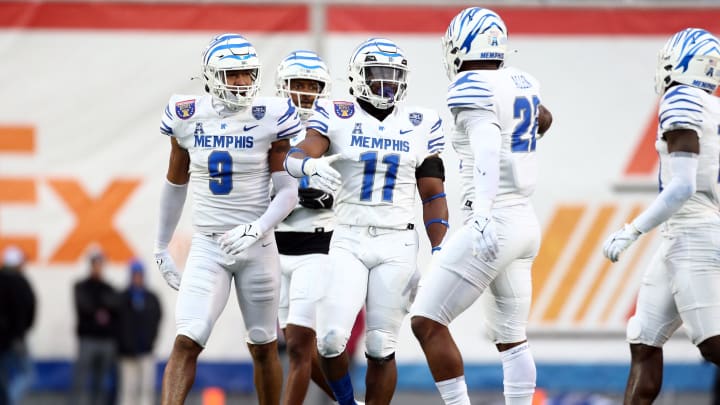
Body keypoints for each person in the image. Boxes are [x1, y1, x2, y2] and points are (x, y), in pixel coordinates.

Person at [285, 37, 448, 405]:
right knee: (328, 340)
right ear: (359, 76)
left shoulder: (421, 122)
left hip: (397, 242)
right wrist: (307, 163)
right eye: (377, 74)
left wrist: (440, 250)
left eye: (393, 76)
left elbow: (433, 194)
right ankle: (346, 403)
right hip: (348, 236)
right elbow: (298, 153)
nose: (386, 84)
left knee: (380, 345)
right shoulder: (336, 113)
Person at [410, 7, 553, 405]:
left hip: (495, 219)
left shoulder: (471, 86)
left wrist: (484, 213)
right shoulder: (524, 81)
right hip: (525, 219)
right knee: (512, 338)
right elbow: (543, 117)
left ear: (460, 44)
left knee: (426, 321)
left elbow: (488, 151)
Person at [153, 33, 301, 405]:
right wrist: (160, 245)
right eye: (232, 74)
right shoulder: (187, 115)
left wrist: (258, 228)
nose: (241, 82)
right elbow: (175, 182)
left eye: (247, 73)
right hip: (209, 244)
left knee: (264, 344)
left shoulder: (272, 116)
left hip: (258, 244)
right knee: (189, 337)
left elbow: (287, 191)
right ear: (211, 75)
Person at [601, 27, 720, 405]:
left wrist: (631, 230)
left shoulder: (682, 99)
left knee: (713, 345)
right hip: (687, 232)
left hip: (693, 235)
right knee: (643, 338)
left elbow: (683, 186)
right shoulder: (713, 107)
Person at [274, 50, 338, 405]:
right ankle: (349, 401)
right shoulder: (267, 127)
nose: (303, 93)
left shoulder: (333, 130)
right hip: (273, 247)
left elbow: (355, 185)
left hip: (316, 243)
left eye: (310, 86)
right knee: (286, 346)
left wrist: (330, 195)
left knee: (301, 344)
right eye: (296, 85)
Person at [70, 248, 120, 405]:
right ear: (91, 265)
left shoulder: (108, 288)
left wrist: (100, 306)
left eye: (101, 264)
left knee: (100, 383)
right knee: (81, 381)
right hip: (88, 340)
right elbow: (85, 307)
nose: (98, 267)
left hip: (105, 341)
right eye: (96, 264)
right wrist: (102, 307)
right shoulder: (81, 286)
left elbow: (115, 306)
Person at [116, 259, 162, 405]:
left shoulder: (151, 298)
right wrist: (124, 344)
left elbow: (156, 320)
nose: (137, 278)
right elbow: (118, 325)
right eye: (135, 274)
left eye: (139, 274)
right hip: (127, 353)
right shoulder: (123, 298)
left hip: (146, 350)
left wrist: (150, 340)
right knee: (128, 389)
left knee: (146, 388)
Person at [0, 246, 36, 405]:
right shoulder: (20, 282)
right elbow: (30, 308)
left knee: (4, 378)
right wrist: (20, 332)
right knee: (27, 374)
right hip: (14, 339)